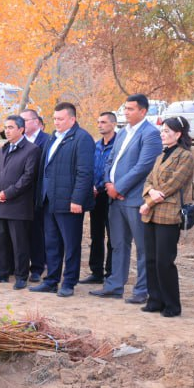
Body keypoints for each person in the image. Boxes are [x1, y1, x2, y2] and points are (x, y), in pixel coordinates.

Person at [92, 95, 162, 304]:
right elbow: (110, 160)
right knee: (118, 244)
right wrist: (108, 184)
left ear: (143, 111)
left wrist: (119, 187)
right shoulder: (123, 132)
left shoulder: (150, 134)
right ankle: (114, 285)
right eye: (126, 109)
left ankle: (141, 290)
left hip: (135, 198)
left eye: (131, 109)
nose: (126, 112)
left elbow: (144, 166)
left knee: (142, 247)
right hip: (115, 198)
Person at [31, 103, 95, 297]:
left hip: (69, 202)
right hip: (50, 199)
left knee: (71, 243)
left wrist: (77, 199)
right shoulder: (53, 138)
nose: (56, 122)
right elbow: (45, 169)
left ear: (72, 119)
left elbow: (84, 173)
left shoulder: (82, 138)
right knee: (52, 242)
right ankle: (51, 280)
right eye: (55, 118)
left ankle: (69, 282)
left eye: (60, 119)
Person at [138, 116, 194, 317]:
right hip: (151, 214)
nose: (163, 134)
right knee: (151, 259)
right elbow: (148, 181)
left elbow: (172, 184)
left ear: (178, 134)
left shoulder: (185, 156)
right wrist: (149, 193)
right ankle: (155, 300)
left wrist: (149, 201)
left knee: (164, 261)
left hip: (168, 214)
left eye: (167, 131)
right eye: (162, 131)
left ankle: (172, 304)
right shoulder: (160, 156)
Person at [0, 115, 40, 289]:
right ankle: (2, 272)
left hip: (19, 206)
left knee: (19, 243)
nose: (6, 131)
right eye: (6, 127)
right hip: (1, 203)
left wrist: (7, 194)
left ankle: (21, 276)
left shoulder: (32, 150)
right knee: (0, 241)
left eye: (10, 127)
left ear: (21, 129)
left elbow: (28, 178)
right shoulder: (4, 148)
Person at [82, 111, 118, 285]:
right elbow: (89, 168)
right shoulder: (96, 146)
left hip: (111, 195)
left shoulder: (119, 145)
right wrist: (91, 186)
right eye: (98, 122)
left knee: (113, 235)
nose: (100, 125)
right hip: (95, 195)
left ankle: (111, 272)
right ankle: (96, 271)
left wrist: (103, 186)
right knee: (96, 234)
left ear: (113, 124)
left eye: (103, 122)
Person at [20, 108, 52, 281]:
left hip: (39, 194)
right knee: (21, 233)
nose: (21, 124)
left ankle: (38, 268)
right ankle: (20, 266)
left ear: (36, 122)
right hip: (19, 194)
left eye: (24, 120)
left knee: (37, 232)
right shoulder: (20, 140)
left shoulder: (47, 140)